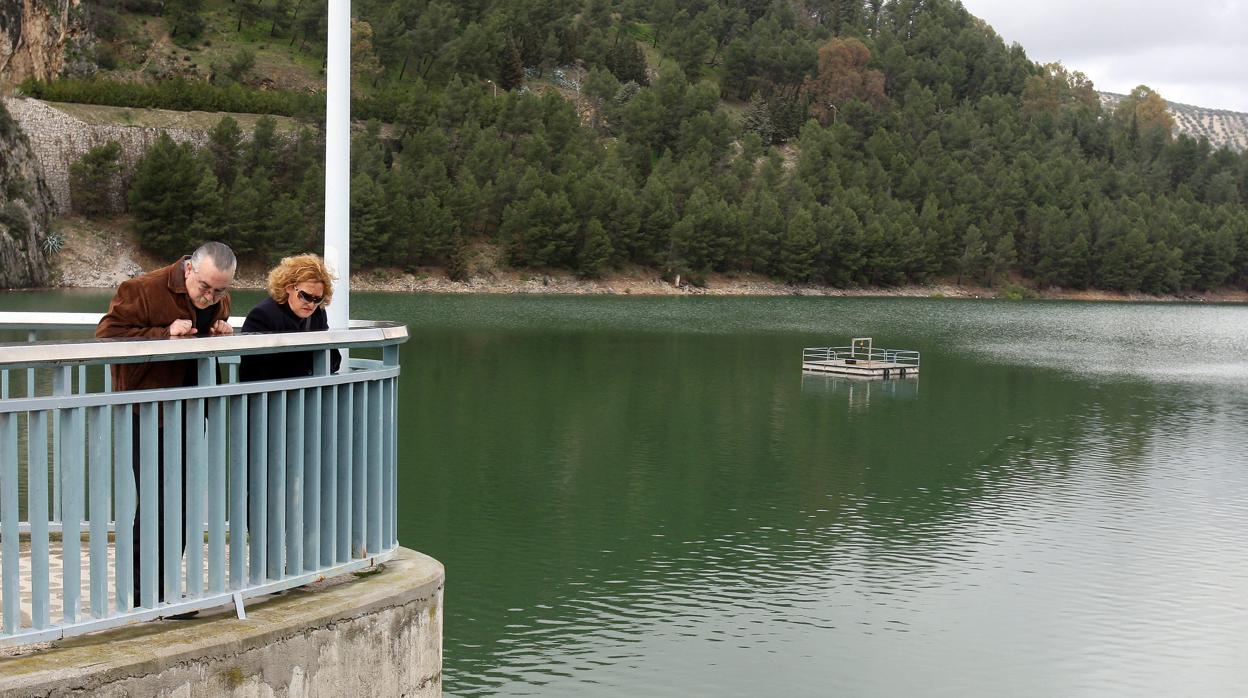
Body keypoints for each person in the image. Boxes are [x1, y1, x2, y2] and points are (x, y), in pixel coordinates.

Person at [95, 241, 236, 611]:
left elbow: (204, 333)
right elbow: (106, 336)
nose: (210, 296)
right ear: (188, 269)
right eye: (205, 287)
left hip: (189, 412)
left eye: (220, 290)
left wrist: (220, 330)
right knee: (156, 506)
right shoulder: (141, 289)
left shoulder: (218, 298)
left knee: (183, 505)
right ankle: (145, 598)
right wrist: (162, 334)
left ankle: (167, 590)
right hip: (147, 412)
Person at [239, 253, 342, 382]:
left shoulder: (318, 314)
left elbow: (334, 361)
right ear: (289, 288)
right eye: (306, 296)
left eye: (318, 299)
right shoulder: (262, 315)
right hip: (266, 396)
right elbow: (254, 370)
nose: (311, 304)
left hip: (304, 393)